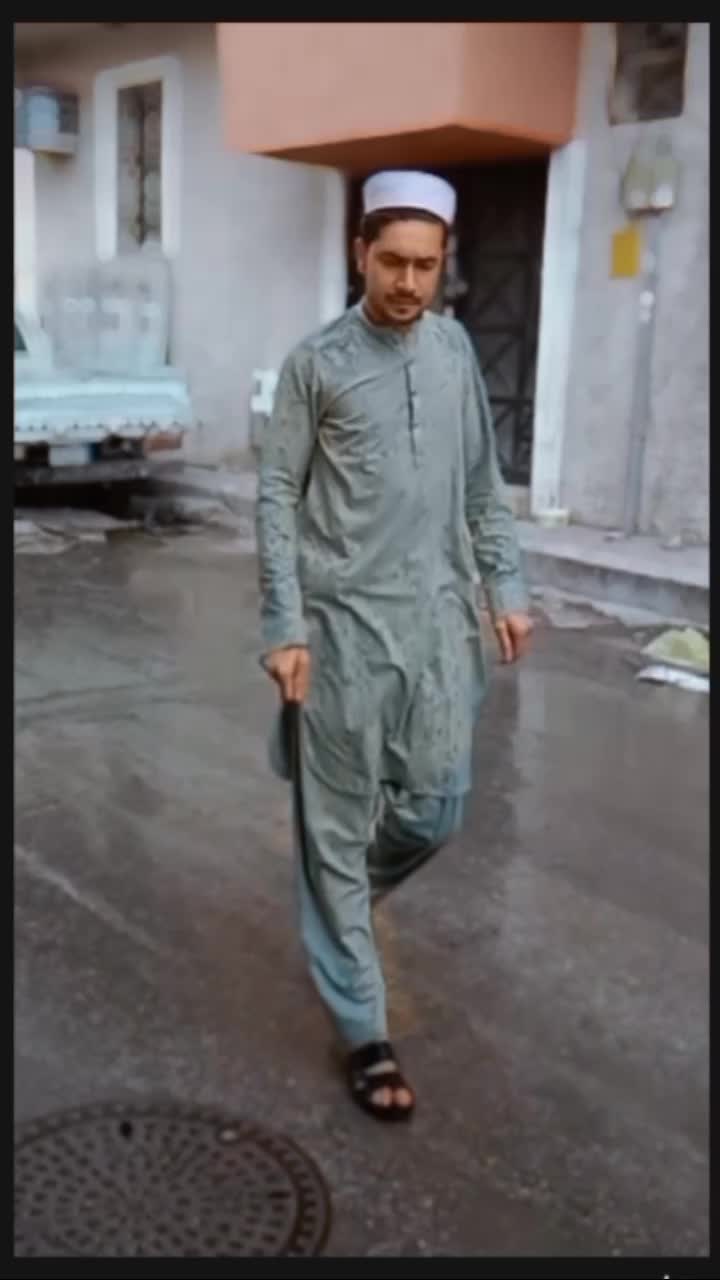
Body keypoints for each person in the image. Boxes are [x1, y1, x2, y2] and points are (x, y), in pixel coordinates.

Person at [256, 170, 532, 1122]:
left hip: (438, 629)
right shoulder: (318, 365)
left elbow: (482, 484)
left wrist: (506, 586)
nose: (409, 283)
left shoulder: (454, 350)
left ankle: (336, 906)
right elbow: (275, 497)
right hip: (338, 635)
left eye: (427, 265)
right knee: (334, 828)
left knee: (436, 811)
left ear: (444, 263)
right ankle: (365, 1031)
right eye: (393, 263)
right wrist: (284, 625)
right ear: (359, 255)